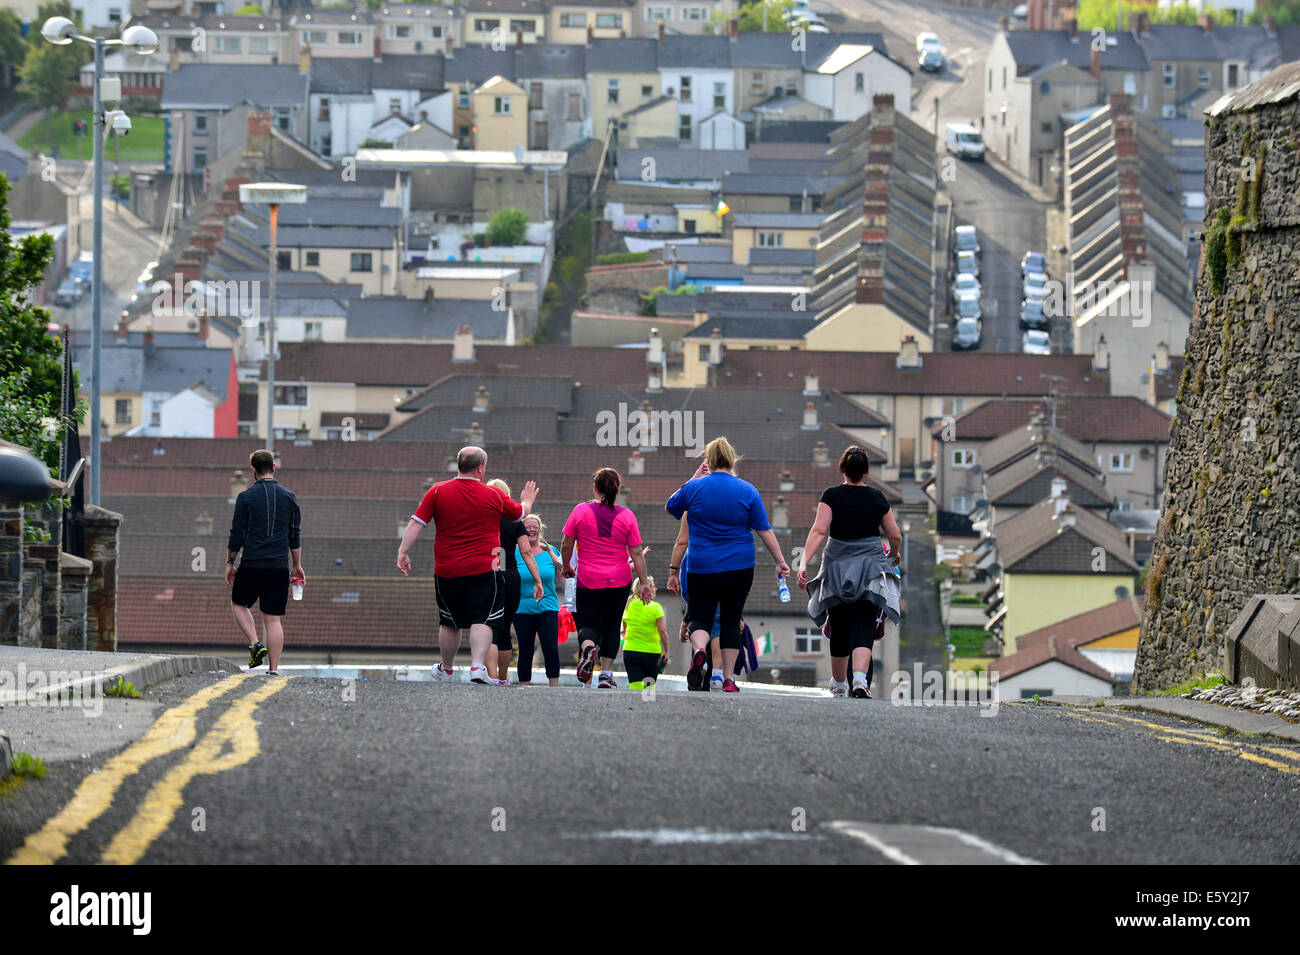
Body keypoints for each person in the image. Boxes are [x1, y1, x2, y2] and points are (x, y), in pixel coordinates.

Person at [397, 446, 538, 684]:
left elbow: (416, 523)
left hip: (447, 569)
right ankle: (476, 667)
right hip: (485, 568)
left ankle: (447, 668)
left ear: (459, 465)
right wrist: (527, 501)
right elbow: (519, 514)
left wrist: (403, 551)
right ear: (481, 468)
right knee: (483, 619)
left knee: (449, 621)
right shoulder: (492, 495)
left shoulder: (437, 491)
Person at [666, 437, 789, 693]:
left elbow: (672, 506)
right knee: (731, 619)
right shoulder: (748, 491)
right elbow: (765, 531)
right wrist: (780, 562)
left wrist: (693, 478)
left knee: (701, 617)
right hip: (740, 566)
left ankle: (700, 652)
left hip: (701, 565)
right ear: (733, 460)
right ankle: (729, 679)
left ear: (708, 461)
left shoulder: (696, 488)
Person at [798, 446, 902, 699]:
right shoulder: (877, 497)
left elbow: (819, 531)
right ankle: (859, 680)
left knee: (840, 625)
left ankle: (838, 684)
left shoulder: (831, 495)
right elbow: (895, 534)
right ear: (866, 471)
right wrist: (894, 554)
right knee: (864, 624)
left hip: (837, 568)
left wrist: (803, 563)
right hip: (869, 568)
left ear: (842, 468)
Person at [561, 468, 652, 688]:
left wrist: (566, 566)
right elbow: (637, 553)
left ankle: (587, 649)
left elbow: (566, 543)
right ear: (618, 489)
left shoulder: (581, 511)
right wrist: (644, 583)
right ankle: (606, 675)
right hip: (619, 581)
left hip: (588, 579)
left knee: (588, 622)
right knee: (612, 625)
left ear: (595, 487)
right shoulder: (627, 516)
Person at [226, 449, 302, 677]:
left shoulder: (245, 497)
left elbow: (236, 533)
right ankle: (274, 670)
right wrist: (296, 565)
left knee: (239, 604)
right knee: (272, 619)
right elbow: (294, 535)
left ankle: (255, 644)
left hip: (252, 563)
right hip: (279, 565)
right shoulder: (290, 497)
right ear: (274, 467)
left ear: (253, 470)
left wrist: (230, 563)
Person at [485, 479, 543, 686]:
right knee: (505, 628)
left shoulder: (482, 519)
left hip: (488, 575)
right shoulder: (515, 522)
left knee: (488, 627)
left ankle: (490, 676)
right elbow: (527, 551)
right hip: (510, 578)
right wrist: (537, 580)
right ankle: (502, 678)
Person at [666, 506, 724, 689]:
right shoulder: (731, 504)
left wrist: (673, 571)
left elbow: (682, 542)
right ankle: (716, 677)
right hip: (723, 564)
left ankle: (698, 653)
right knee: (717, 625)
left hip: (693, 565)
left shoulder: (691, 508)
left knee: (698, 617)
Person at [514, 513, 565, 686]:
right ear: (522, 530)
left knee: (550, 647)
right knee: (525, 649)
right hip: (522, 607)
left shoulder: (550, 550)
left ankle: (554, 686)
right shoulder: (515, 552)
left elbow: (564, 575)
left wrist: (571, 600)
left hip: (548, 606)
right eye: (528, 527)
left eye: (535, 527)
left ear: (540, 529)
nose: (532, 530)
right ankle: (524, 687)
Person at [621, 577, 670, 690]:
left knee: (635, 687)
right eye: (653, 586)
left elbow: (625, 626)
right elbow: (662, 631)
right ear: (647, 589)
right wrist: (667, 651)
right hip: (651, 654)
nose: (656, 589)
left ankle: (634, 708)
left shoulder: (628, 604)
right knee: (648, 690)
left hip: (630, 651)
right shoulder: (656, 607)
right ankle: (647, 707)